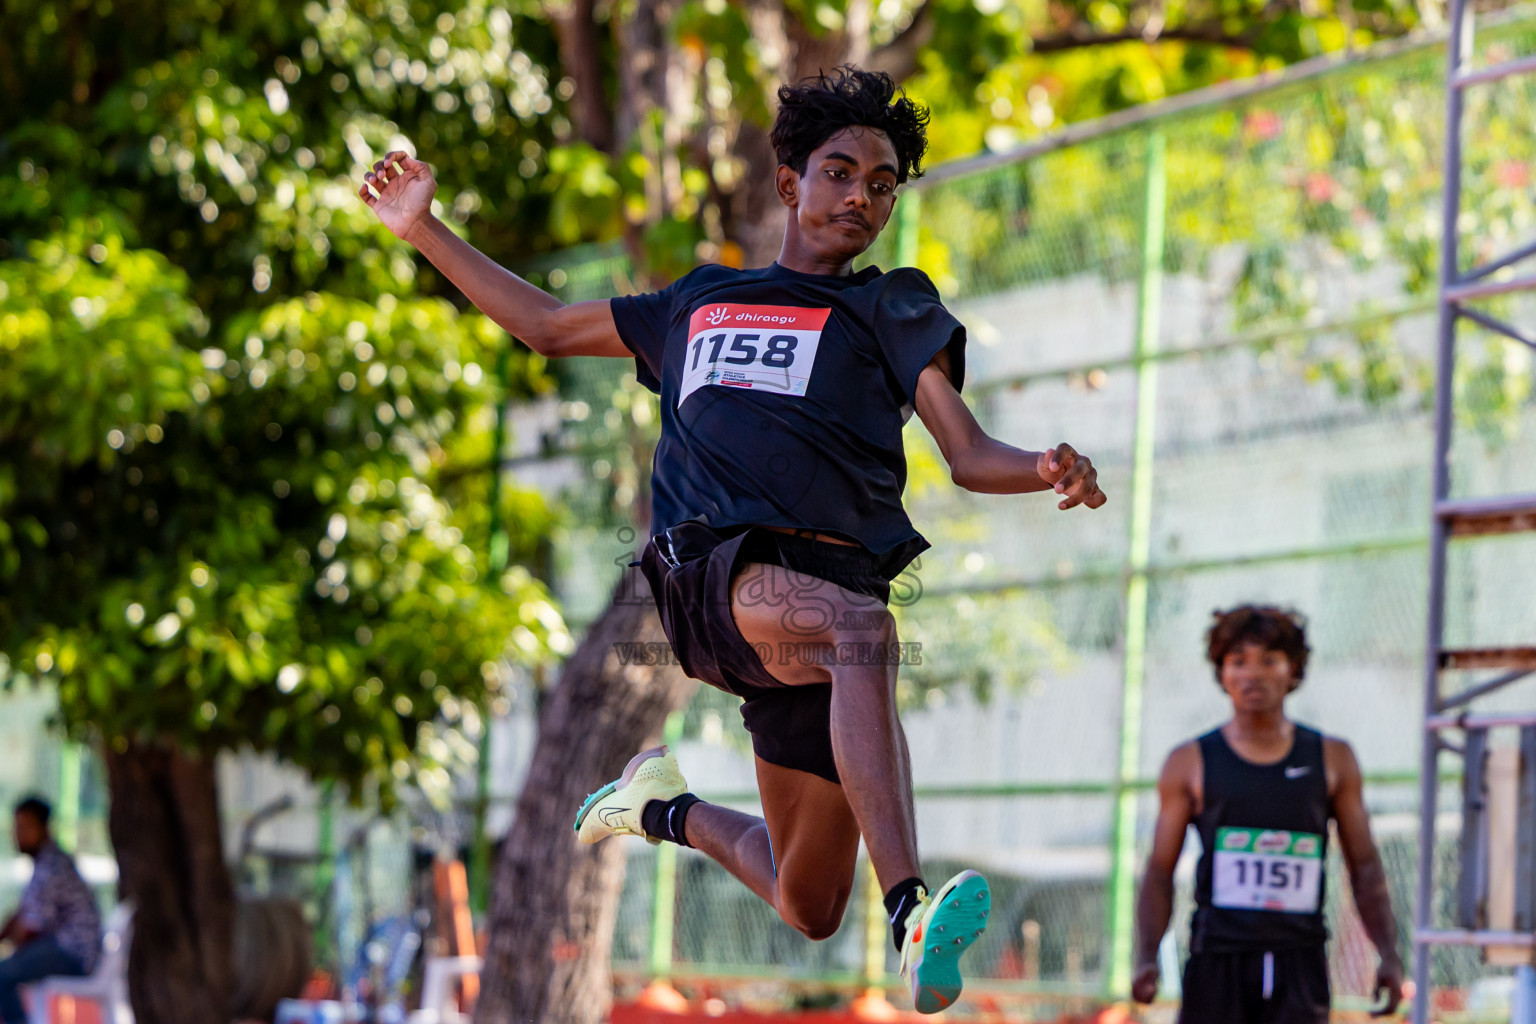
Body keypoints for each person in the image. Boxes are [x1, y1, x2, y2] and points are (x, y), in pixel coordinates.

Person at [360, 66, 1106, 1013]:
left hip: (822, 597)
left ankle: (660, 806)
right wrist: (422, 228)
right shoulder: (700, 301)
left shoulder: (889, 307)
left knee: (808, 900)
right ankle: (912, 909)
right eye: (840, 173)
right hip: (711, 572)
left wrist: (1044, 464)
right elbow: (546, 327)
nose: (861, 198)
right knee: (860, 633)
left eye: (882, 186)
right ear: (791, 183)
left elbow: (965, 452)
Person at [1130, 605, 1405, 1023]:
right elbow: (1159, 870)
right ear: (1222, 674)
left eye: (1269, 660)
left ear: (1293, 671)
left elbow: (1364, 866)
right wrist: (1146, 956)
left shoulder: (1333, 759)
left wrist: (1388, 953)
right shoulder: (1189, 763)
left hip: (1300, 963)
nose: (1252, 674)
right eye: (1238, 661)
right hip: (1218, 961)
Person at [0, 797, 101, 1024]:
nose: (19, 834)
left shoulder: (52, 866)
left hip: (73, 953)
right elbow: (21, 914)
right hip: (66, 948)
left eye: (26, 827)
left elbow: (30, 929)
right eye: (17, 828)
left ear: (44, 827)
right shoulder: (46, 862)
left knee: (3, 975)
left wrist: (10, 949)